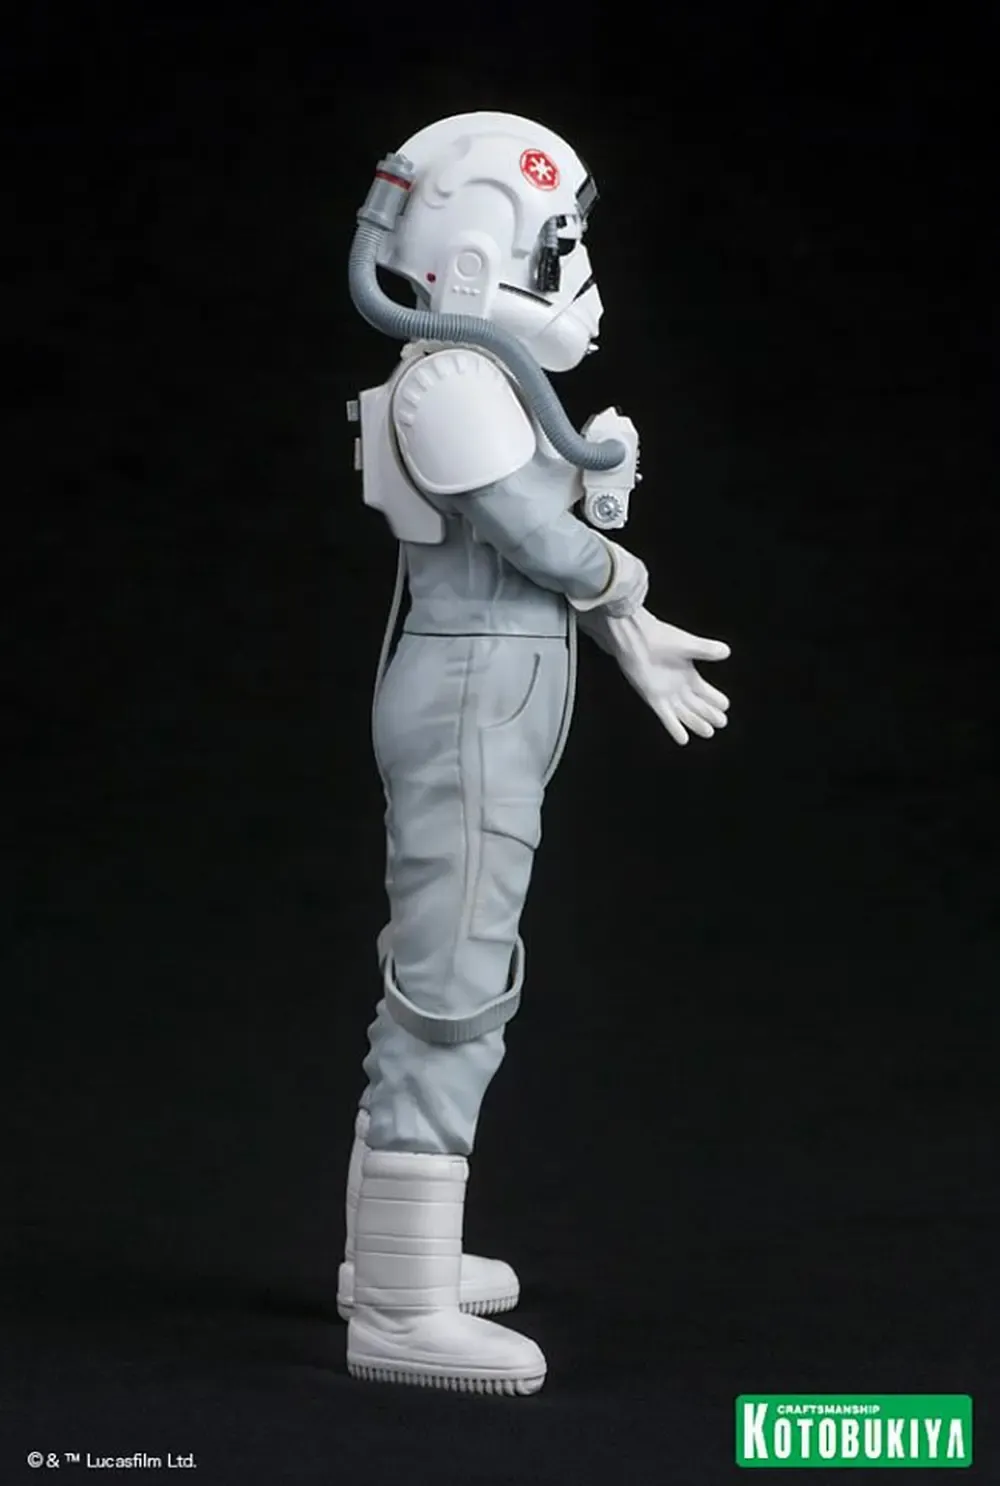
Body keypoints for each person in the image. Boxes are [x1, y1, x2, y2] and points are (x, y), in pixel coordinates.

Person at [338, 111, 731, 1395]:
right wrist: (622, 576)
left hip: (494, 687)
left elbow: (546, 550)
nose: (580, 277)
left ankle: (391, 1259)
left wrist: (629, 632)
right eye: (557, 250)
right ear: (472, 257)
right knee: (454, 984)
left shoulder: (480, 382)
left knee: (452, 968)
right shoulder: (450, 384)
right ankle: (400, 1303)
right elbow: (533, 537)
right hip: (470, 693)